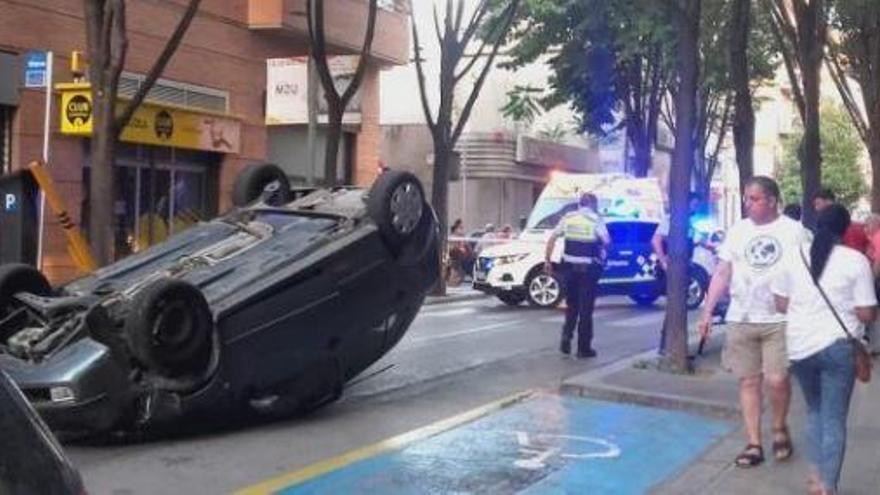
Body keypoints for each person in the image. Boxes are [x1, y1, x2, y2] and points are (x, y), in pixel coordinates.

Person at [698, 176, 808, 468]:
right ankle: (754, 442)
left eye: (754, 199)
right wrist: (707, 311)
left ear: (772, 201)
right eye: (747, 198)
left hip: (780, 318)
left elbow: (809, 273)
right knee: (748, 381)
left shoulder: (794, 232)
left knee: (777, 379)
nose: (748, 204)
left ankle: (779, 426)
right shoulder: (738, 231)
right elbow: (722, 272)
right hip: (742, 316)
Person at [771, 204, 877, 494]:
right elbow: (867, 314)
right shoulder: (856, 261)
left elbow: (780, 304)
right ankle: (828, 487)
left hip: (800, 348)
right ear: (846, 229)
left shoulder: (793, 257)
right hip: (837, 349)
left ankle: (815, 478)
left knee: (815, 412)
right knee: (833, 419)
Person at [544, 192, 610, 358]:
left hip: (569, 269)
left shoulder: (568, 217)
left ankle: (566, 337)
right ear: (593, 204)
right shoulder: (595, 219)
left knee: (571, 306)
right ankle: (583, 348)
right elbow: (607, 241)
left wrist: (547, 260)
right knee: (586, 310)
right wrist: (601, 250)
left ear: (580, 204)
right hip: (588, 270)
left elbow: (552, 238)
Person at [651, 192, 701, 353]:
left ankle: (670, 345)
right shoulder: (673, 218)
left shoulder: (689, 221)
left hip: (684, 266)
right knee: (675, 305)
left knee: (679, 305)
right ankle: (666, 345)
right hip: (674, 268)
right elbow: (656, 240)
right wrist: (663, 261)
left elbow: (690, 241)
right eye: (694, 204)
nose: (696, 207)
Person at [814, 188, 868, 253]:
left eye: (818, 203)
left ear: (828, 200)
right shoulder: (840, 209)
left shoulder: (832, 211)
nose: (816, 208)